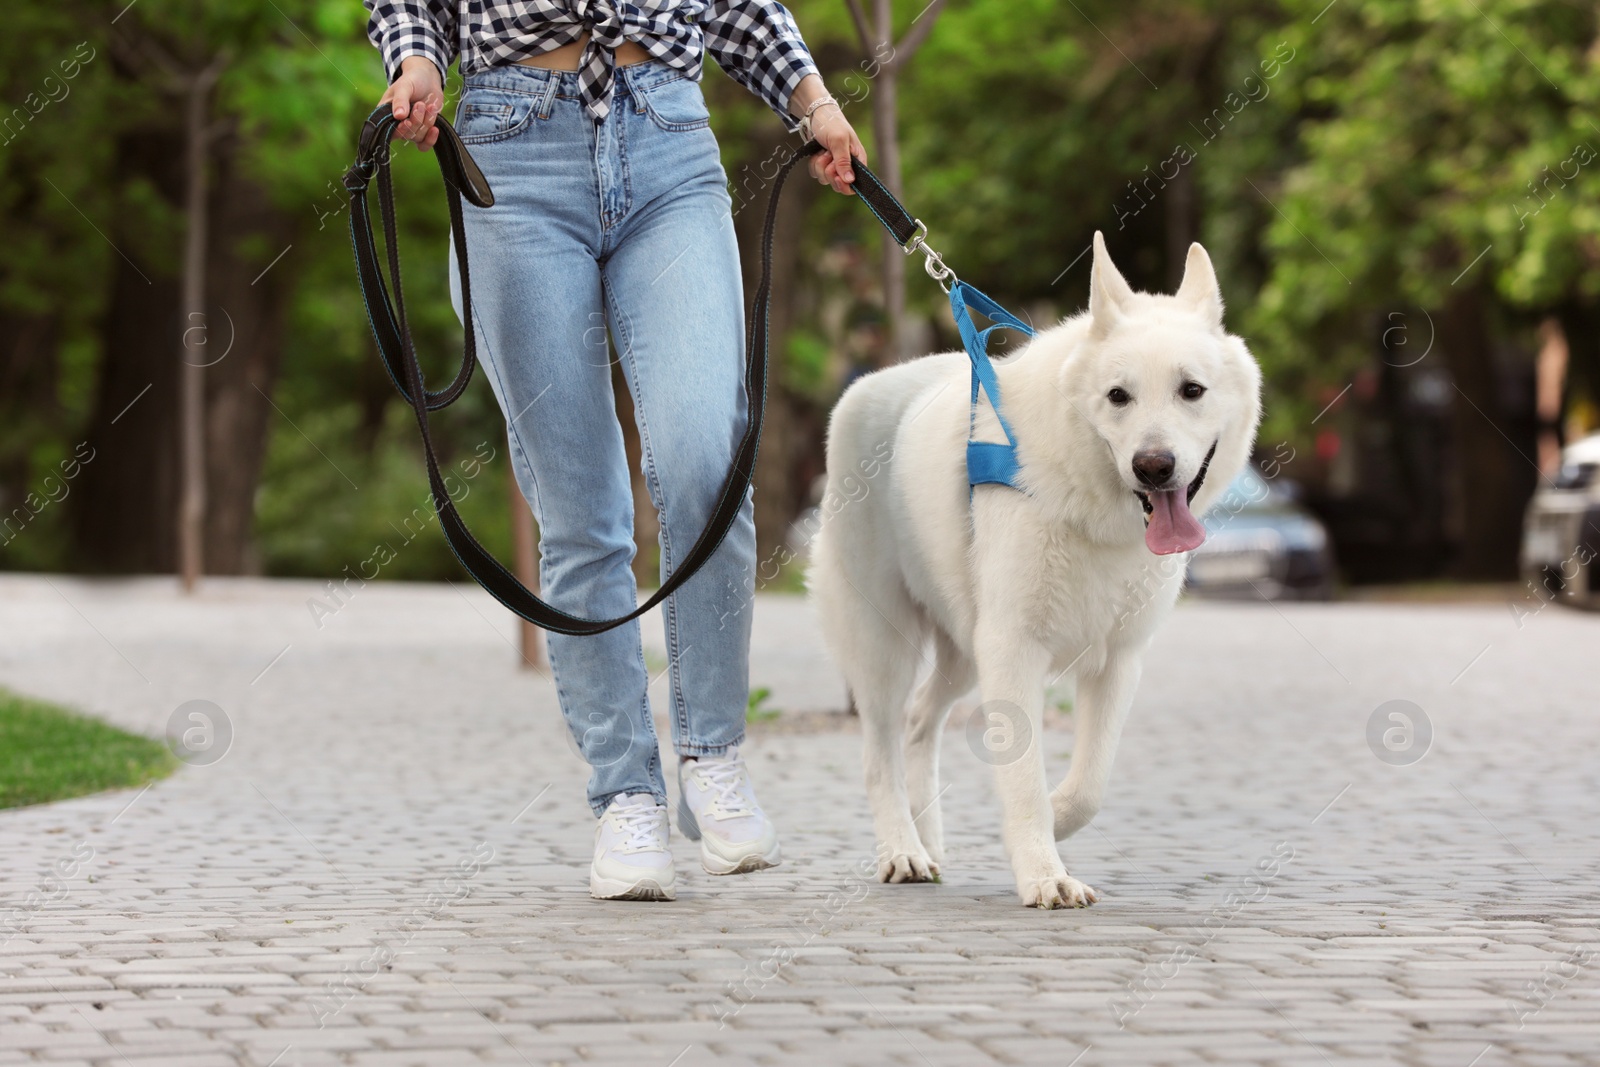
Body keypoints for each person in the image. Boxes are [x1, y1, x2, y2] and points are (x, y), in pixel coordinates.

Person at [361, 1, 866, 901]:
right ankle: (625, 791)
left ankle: (712, 752)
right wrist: (417, 62)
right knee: (581, 507)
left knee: (706, 456)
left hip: (669, 138)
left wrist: (813, 100)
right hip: (511, 156)